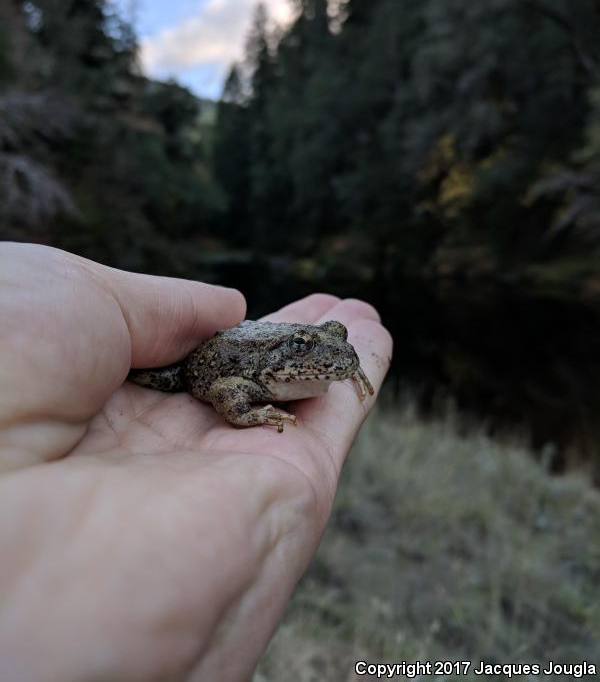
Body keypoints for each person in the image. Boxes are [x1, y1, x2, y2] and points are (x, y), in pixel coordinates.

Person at [0, 241, 392, 681]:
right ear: (287, 349)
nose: (321, 351)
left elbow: (333, 350)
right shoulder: (255, 368)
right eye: (301, 344)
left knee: (323, 341)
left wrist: (346, 364)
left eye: (330, 341)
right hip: (196, 370)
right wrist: (252, 413)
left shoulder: (324, 354)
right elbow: (224, 388)